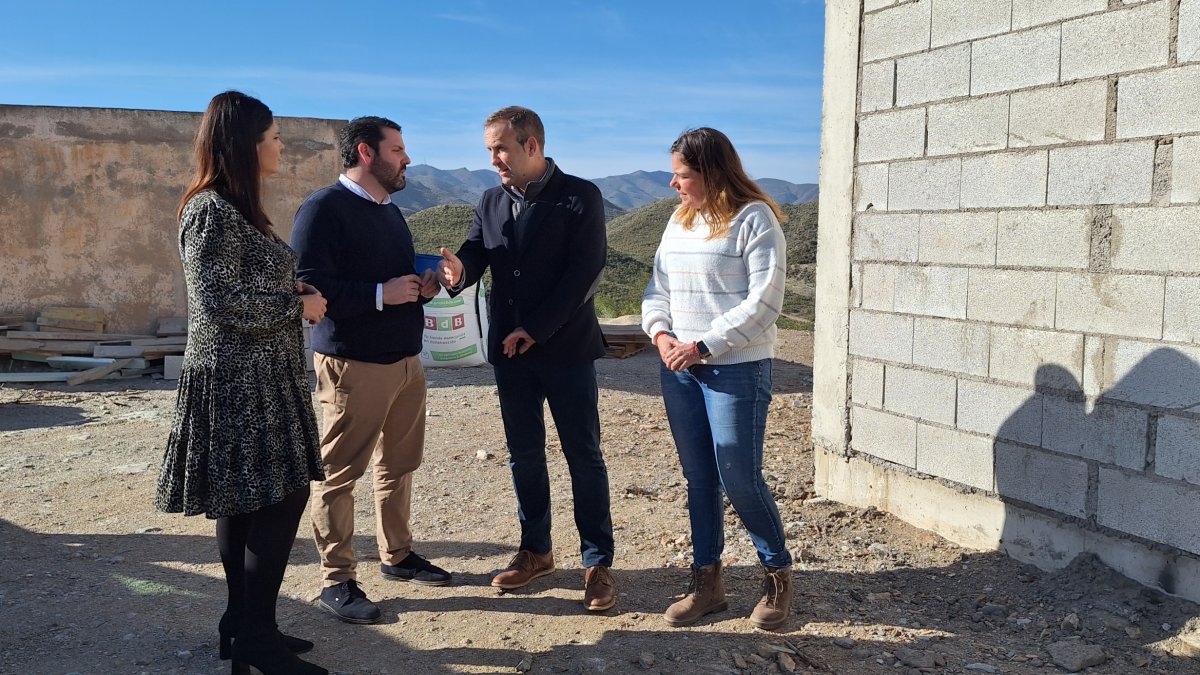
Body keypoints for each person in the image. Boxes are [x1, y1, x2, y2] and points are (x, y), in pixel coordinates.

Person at [154, 91, 329, 675]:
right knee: (280, 496)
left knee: (246, 499)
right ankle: (254, 634)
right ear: (245, 145)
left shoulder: (234, 210)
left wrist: (290, 292)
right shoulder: (210, 210)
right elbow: (218, 301)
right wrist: (296, 307)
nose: (281, 146)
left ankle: (244, 622)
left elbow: (240, 285)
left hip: (258, 376)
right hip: (237, 381)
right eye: (274, 137)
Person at [437, 106, 617, 611]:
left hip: (565, 349)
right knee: (524, 454)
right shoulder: (490, 199)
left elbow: (585, 274)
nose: (493, 159)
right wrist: (459, 271)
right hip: (510, 353)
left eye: (500, 148)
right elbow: (477, 252)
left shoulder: (580, 196)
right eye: (489, 149)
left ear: (531, 146)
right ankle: (536, 550)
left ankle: (597, 562)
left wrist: (534, 330)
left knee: (583, 454)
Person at [291, 116, 448, 626]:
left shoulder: (391, 212)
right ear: (365, 152)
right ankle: (335, 579)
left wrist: (423, 285)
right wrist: (382, 294)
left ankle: (397, 555)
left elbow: (394, 281)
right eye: (397, 149)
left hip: (405, 363)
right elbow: (309, 289)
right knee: (339, 474)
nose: (407, 158)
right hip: (353, 364)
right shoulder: (322, 209)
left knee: (398, 465)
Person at [641, 127, 793, 630]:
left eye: (683, 175)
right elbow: (657, 288)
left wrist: (702, 345)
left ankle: (777, 576)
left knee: (740, 478)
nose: (673, 183)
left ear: (712, 173)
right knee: (699, 479)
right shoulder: (679, 220)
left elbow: (765, 302)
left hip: (736, 369)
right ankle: (707, 584)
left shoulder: (755, 219)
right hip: (680, 369)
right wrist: (661, 335)